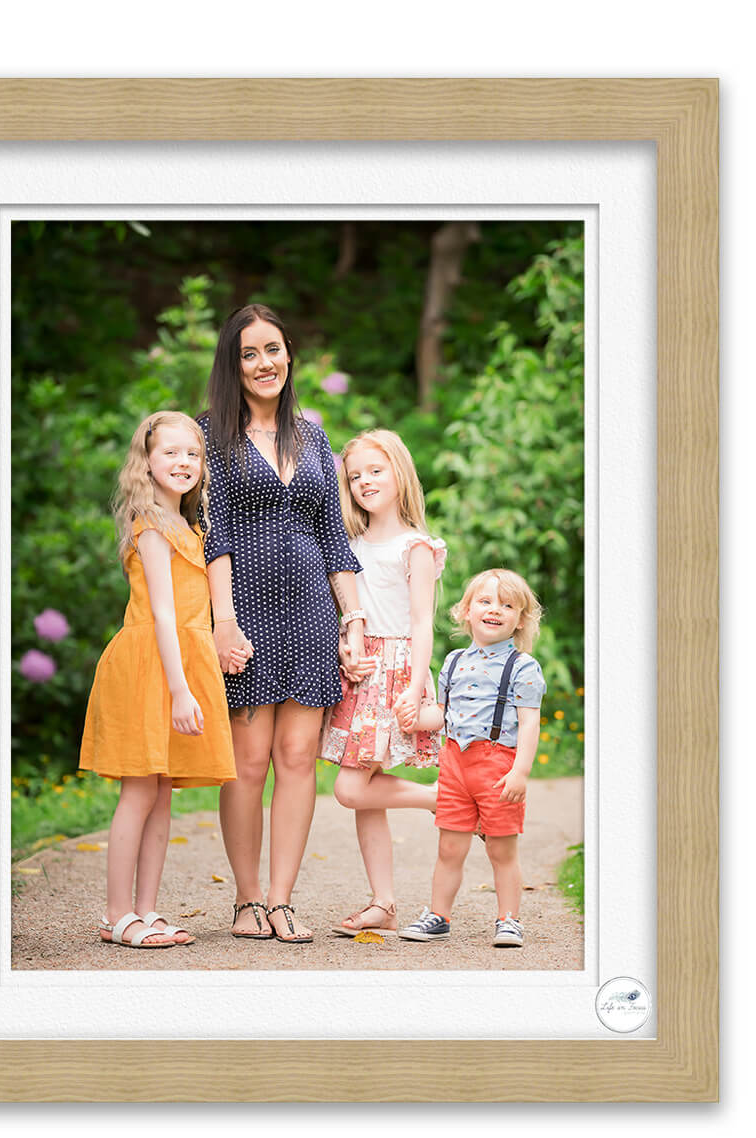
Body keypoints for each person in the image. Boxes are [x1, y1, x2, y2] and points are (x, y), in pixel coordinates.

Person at [198, 304, 365, 944]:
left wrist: (352, 618)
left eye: (272, 349)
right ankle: (245, 900)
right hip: (245, 608)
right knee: (247, 761)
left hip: (311, 612)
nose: (264, 363)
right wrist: (222, 620)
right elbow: (211, 531)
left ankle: (281, 899)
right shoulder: (210, 432)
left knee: (298, 758)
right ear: (232, 365)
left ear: (289, 353)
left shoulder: (314, 435)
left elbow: (332, 535)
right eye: (249, 354)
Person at [79, 411, 241, 949]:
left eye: (192, 454)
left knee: (162, 791)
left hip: (179, 661)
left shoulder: (191, 527)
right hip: (152, 664)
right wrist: (179, 690)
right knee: (138, 790)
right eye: (170, 452)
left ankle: (146, 911)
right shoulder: (151, 526)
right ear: (146, 461)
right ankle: (117, 914)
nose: (182, 462)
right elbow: (165, 616)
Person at [318, 430, 445, 936]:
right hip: (359, 673)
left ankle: (445, 798)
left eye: (376, 470)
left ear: (399, 473)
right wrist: (345, 656)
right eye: (354, 476)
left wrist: (414, 687)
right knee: (363, 790)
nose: (364, 481)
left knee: (351, 789)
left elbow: (421, 623)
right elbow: (346, 612)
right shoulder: (347, 545)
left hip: (395, 674)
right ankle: (383, 903)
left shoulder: (415, 547)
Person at [395, 568, 546, 948]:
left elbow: (529, 724)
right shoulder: (454, 662)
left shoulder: (523, 667)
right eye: (486, 601)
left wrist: (520, 772)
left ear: (520, 619)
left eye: (507, 605)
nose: (495, 610)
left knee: (500, 849)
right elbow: (442, 715)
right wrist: (414, 717)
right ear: (466, 610)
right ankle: (438, 915)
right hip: (455, 765)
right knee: (449, 848)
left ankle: (509, 920)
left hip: (498, 767)